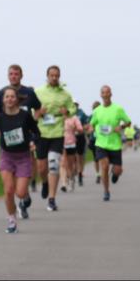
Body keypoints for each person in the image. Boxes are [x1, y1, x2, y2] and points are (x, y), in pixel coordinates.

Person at [0, 86, 40, 233]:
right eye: (6, 97)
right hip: (6, 157)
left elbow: (37, 133)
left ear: (17, 100)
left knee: (19, 193)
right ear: (3, 100)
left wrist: (33, 141)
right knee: (8, 191)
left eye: (12, 96)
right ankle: (12, 219)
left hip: (23, 157)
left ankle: (25, 197)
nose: (9, 99)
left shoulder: (25, 116)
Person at [0, 64, 41, 209]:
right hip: (7, 139)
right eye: (11, 74)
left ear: (21, 75)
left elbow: (39, 108)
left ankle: (24, 193)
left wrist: (34, 120)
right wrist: (4, 119)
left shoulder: (29, 92)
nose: (13, 76)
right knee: (9, 180)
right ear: (8, 76)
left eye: (16, 74)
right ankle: (16, 202)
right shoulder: (2, 93)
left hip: (25, 137)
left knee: (24, 170)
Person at [34, 66, 75, 212]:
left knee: (53, 164)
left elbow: (72, 108)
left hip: (57, 133)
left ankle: (52, 199)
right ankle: (45, 182)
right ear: (47, 76)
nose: (54, 78)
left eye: (57, 76)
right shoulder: (38, 92)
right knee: (41, 168)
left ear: (59, 77)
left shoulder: (65, 94)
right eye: (51, 75)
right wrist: (39, 112)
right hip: (41, 133)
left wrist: (67, 111)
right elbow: (32, 111)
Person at [86, 85, 132, 201]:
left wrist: (121, 127)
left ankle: (115, 174)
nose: (105, 94)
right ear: (101, 95)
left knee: (117, 170)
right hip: (101, 144)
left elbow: (128, 122)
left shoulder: (118, 109)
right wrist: (91, 128)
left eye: (107, 92)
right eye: (103, 93)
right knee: (105, 166)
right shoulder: (97, 111)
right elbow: (92, 123)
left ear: (111, 94)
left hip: (115, 144)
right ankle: (106, 191)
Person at [61, 110, 83, 192]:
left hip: (71, 143)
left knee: (70, 164)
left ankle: (71, 179)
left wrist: (75, 128)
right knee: (63, 163)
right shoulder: (59, 118)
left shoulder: (74, 118)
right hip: (60, 142)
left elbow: (80, 129)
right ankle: (63, 183)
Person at [74, 102, 90, 186]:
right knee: (71, 157)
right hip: (70, 138)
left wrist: (80, 128)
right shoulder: (67, 112)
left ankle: (80, 174)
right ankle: (73, 173)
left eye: (75, 104)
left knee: (80, 157)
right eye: (73, 104)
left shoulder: (81, 113)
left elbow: (87, 125)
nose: (74, 106)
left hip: (80, 137)